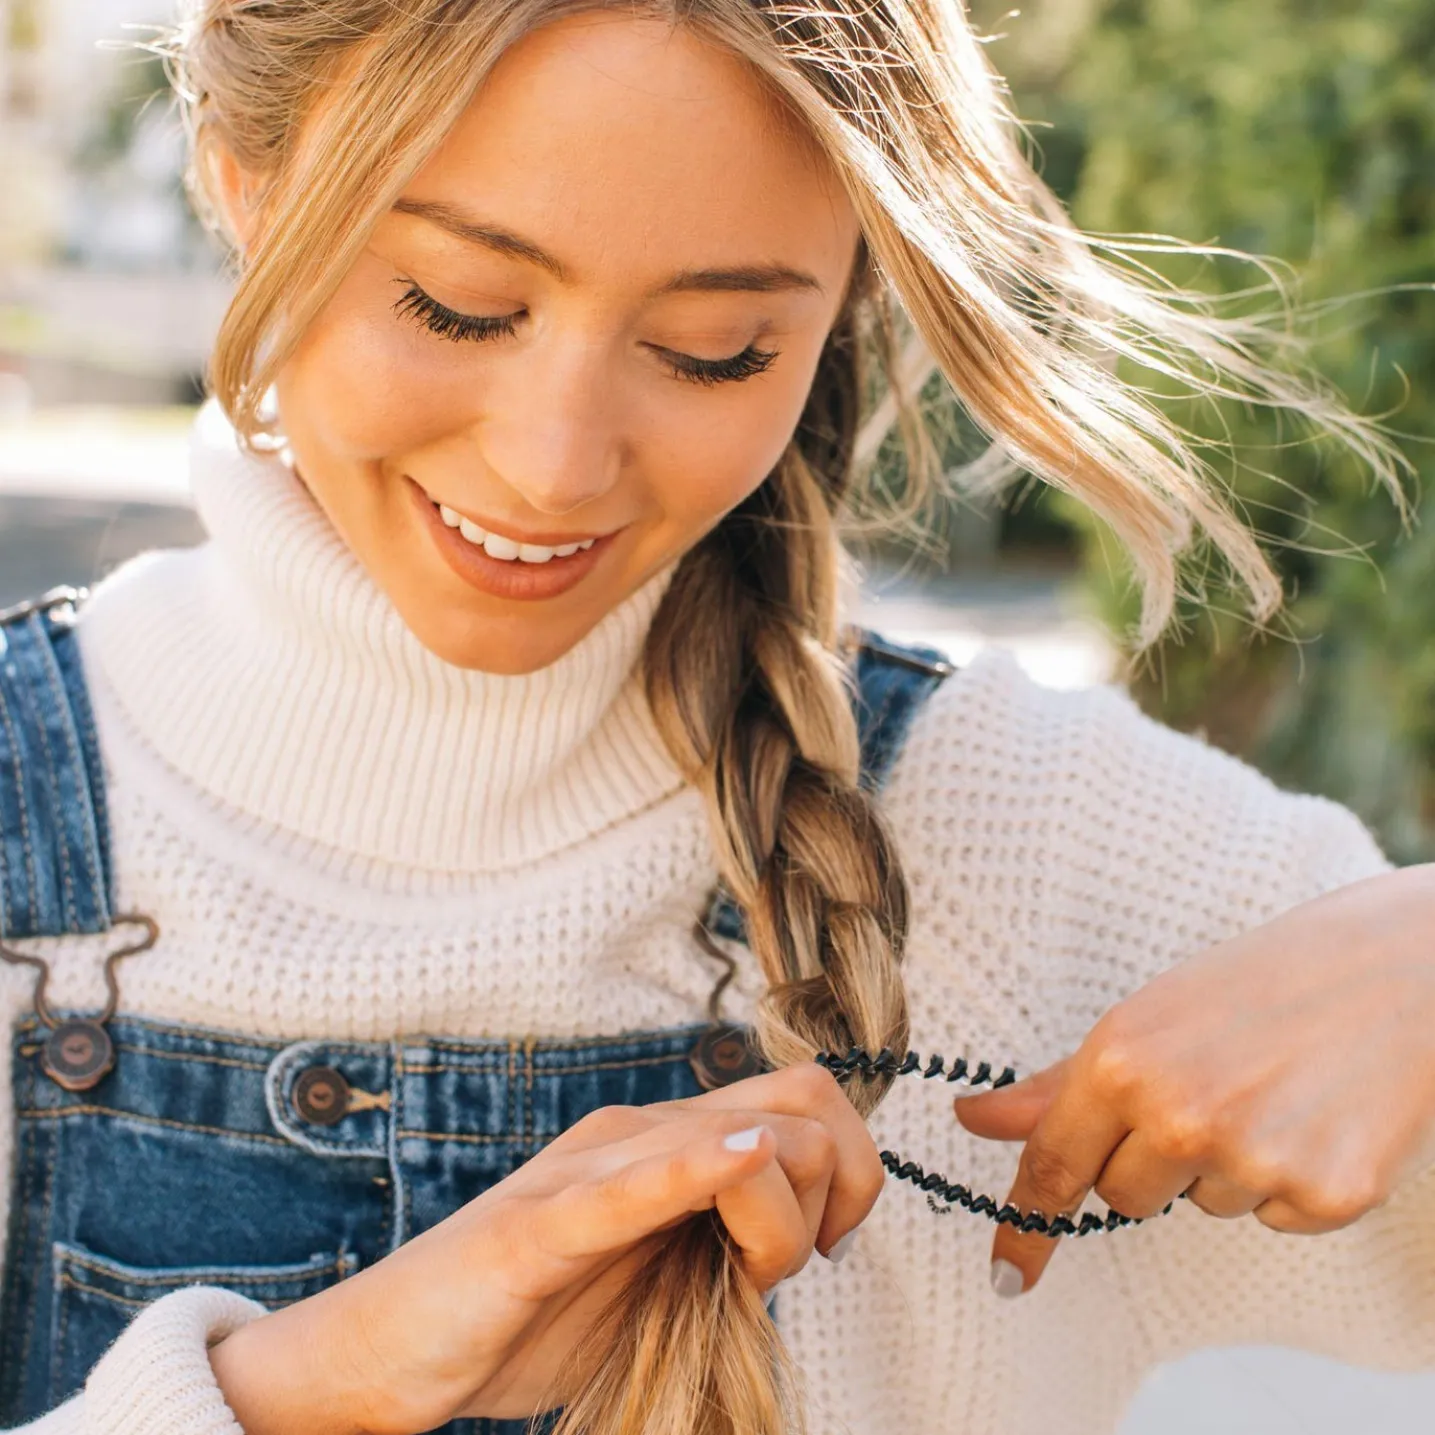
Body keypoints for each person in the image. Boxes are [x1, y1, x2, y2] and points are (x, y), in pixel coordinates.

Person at [1, 2, 1434, 1434]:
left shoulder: (1041, 846)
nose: (553, 466)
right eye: (453, 301)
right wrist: (297, 1390)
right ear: (238, 180)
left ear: (846, 297)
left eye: (711, 348)